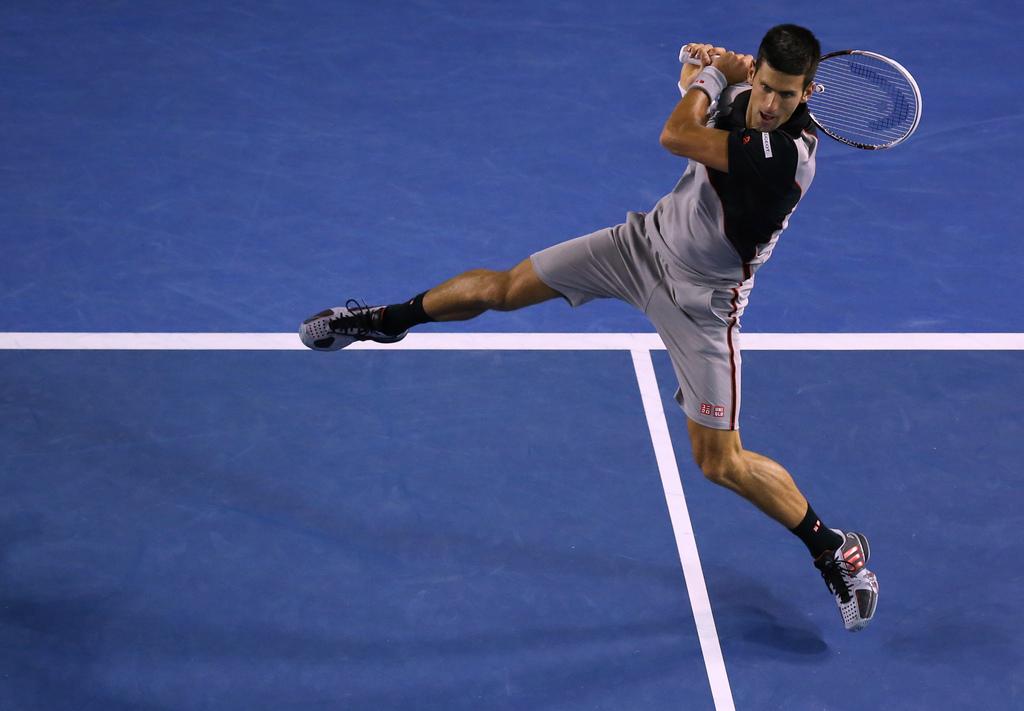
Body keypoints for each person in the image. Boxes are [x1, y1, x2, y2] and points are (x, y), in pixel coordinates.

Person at [300, 24, 878, 632]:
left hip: (702, 303)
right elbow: (688, 81)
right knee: (503, 288)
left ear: (808, 93)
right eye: (764, 87)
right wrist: (698, 65)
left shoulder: (787, 157)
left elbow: (676, 131)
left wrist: (711, 75)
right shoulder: (746, 99)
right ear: (757, 72)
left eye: (786, 96)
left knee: (719, 463)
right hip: (641, 245)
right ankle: (379, 321)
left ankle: (834, 548)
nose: (769, 105)